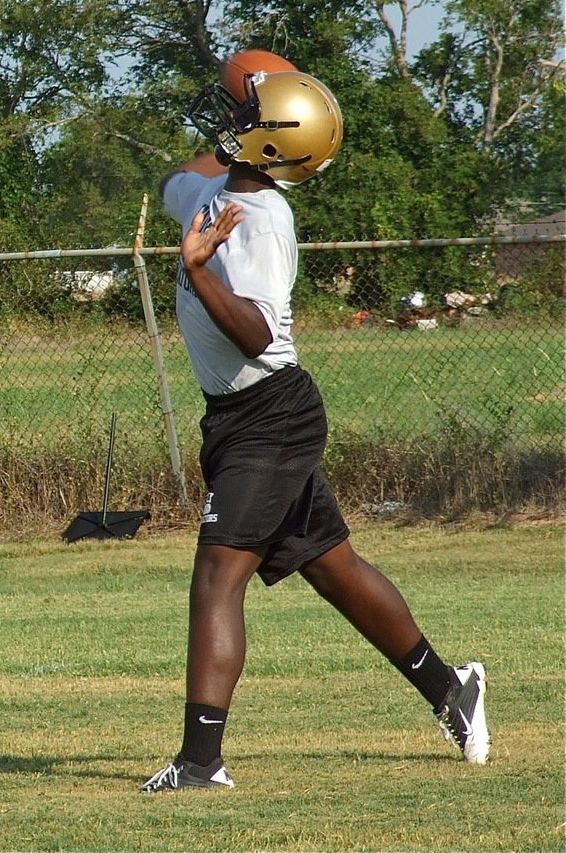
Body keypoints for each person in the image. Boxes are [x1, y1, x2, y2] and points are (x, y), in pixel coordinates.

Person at [140, 70, 488, 792]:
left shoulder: (261, 220)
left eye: (247, 110)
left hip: (270, 411)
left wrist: (200, 273)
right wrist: (258, 76)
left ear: (269, 140)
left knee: (217, 575)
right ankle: (450, 690)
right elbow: (180, 175)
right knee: (334, 567)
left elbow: (258, 335)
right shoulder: (216, 191)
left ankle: (201, 762)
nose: (232, 113)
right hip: (241, 417)